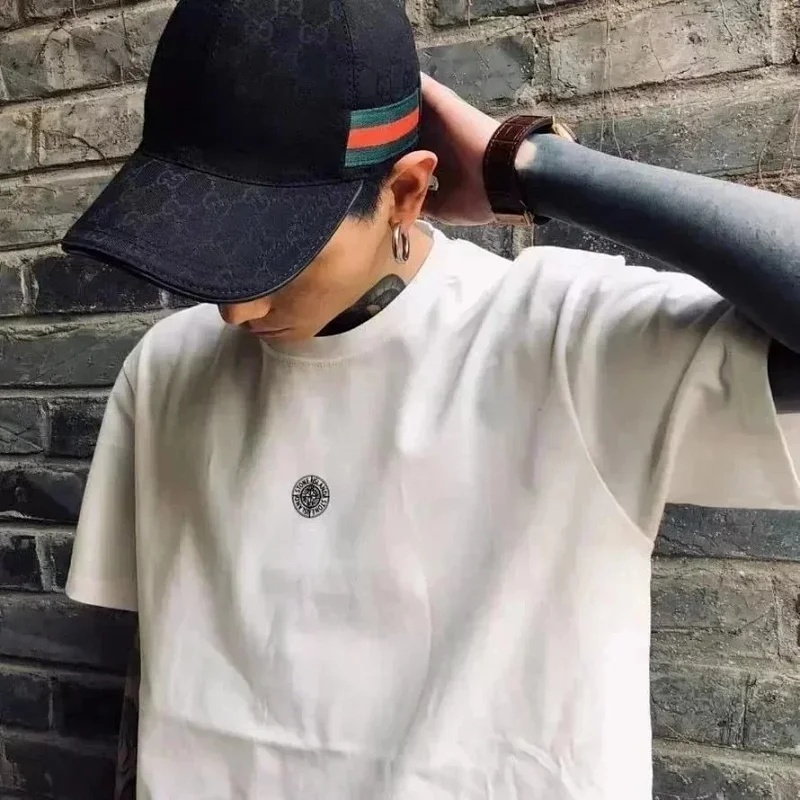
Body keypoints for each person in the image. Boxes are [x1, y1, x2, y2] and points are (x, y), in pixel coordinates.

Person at [61, 0, 800, 796]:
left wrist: (526, 162)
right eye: (204, 250)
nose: (236, 311)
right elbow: (157, 669)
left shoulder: (566, 343)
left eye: (276, 255)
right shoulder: (166, 364)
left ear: (409, 191)